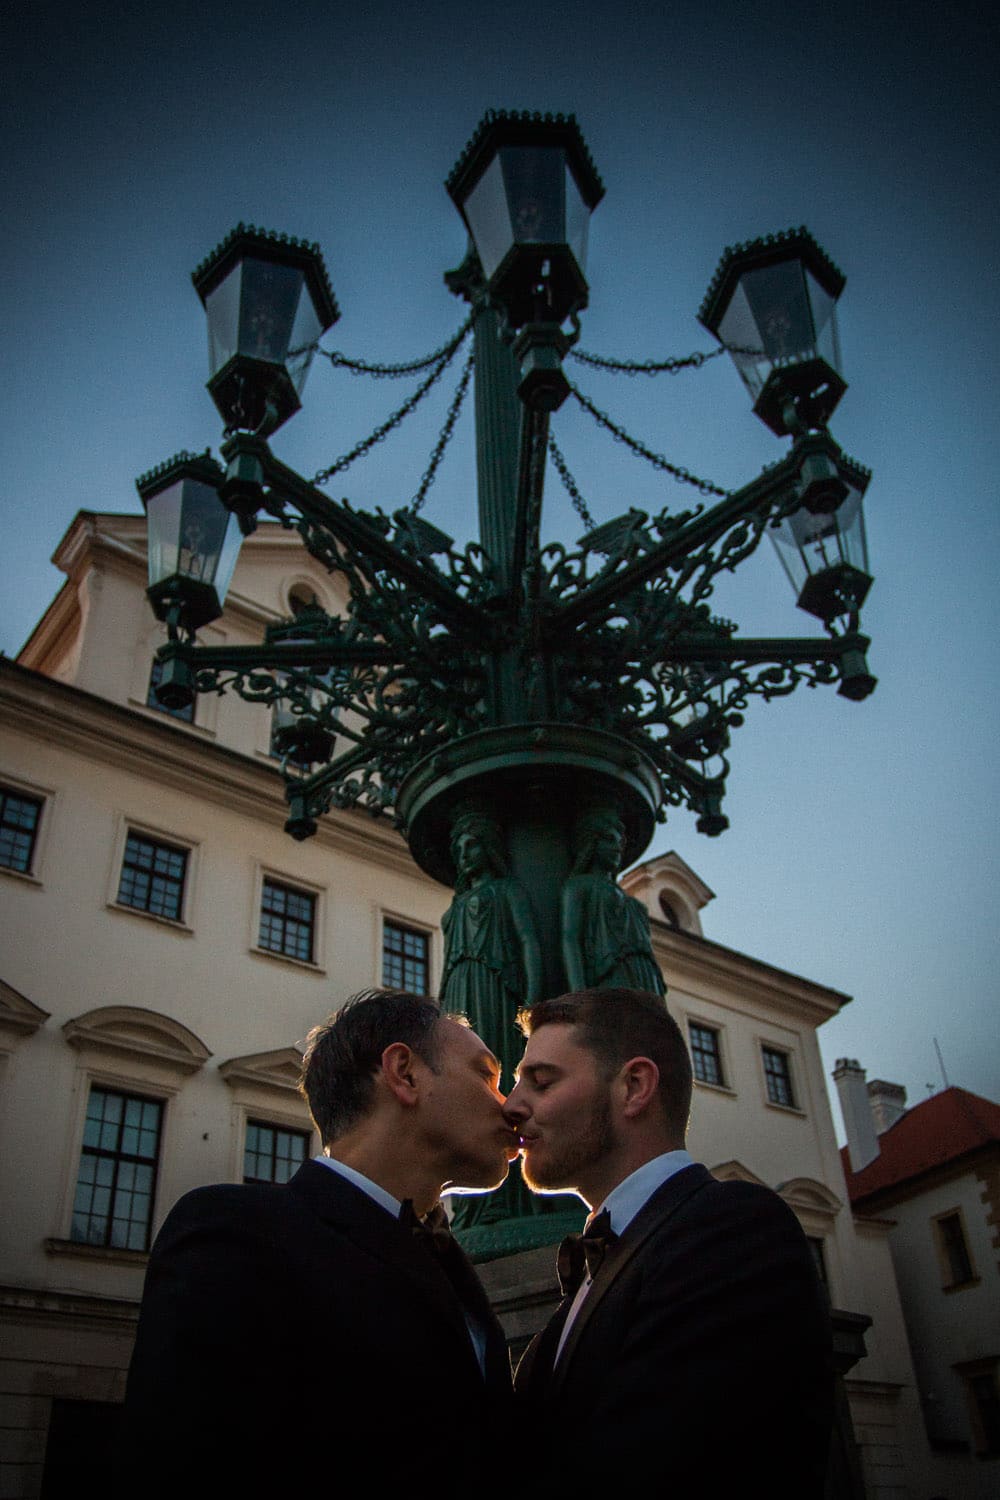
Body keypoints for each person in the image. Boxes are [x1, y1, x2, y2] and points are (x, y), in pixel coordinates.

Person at [117, 989, 518, 1498]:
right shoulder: (238, 1237)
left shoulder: (448, 1265)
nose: (511, 1105)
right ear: (405, 1073)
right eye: (486, 1075)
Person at [505, 987, 833, 1496]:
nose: (511, 1105)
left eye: (541, 1082)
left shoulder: (732, 1229)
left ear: (635, 1086)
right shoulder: (605, 1259)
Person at [441, 808, 544, 1230]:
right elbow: (448, 964)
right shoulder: (456, 907)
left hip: (499, 992)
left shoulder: (507, 891)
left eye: (473, 845)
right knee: (465, 1084)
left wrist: (535, 1004)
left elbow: (528, 943)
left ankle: (514, 1195)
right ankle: (475, 1198)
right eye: (460, 848)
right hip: (462, 991)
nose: (466, 854)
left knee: (500, 1075)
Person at [561, 807, 665, 995]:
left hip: (646, 975)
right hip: (612, 973)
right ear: (591, 842)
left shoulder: (629, 901)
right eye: (608, 840)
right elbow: (570, 939)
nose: (617, 847)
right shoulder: (579, 886)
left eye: (620, 842)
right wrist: (578, 994)